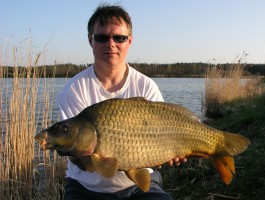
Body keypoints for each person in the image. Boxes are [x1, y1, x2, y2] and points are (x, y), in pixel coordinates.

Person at [57, 4, 186, 200]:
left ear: (130, 41)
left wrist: (175, 152)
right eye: (102, 37)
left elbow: (166, 137)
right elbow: (78, 159)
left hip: (139, 185)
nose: (111, 44)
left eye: (119, 37)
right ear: (91, 40)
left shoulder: (146, 86)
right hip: (86, 188)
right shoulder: (74, 89)